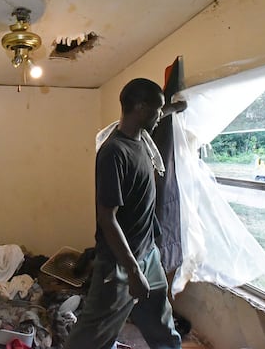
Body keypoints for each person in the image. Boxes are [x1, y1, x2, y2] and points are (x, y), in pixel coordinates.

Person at [64, 78, 185, 349]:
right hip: (119, 265)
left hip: (148, 255)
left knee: (162, 326)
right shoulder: (114, 153)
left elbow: (160, 112)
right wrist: (132, 271)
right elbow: (107, 218)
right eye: (157, 110)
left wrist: (175, 107)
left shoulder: (142, 136)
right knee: (91, 337)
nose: (159, 116)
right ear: (141, 108)